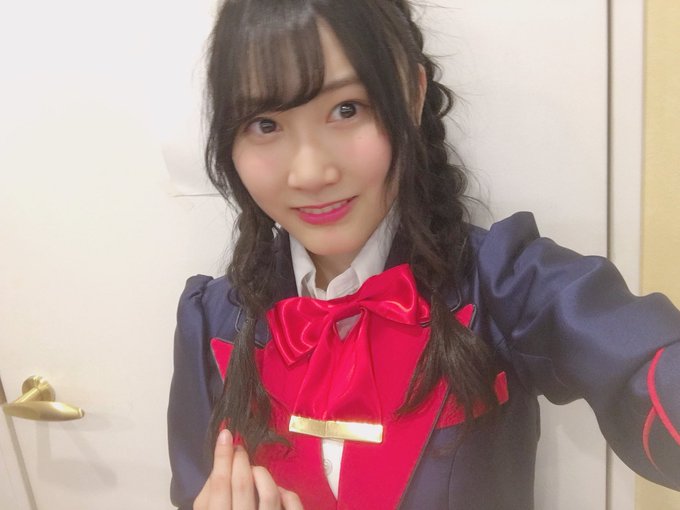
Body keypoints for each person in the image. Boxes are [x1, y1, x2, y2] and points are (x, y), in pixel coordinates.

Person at [167, 0, 680, 508]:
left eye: (347, 109)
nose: (310, 173)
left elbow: (643, 361)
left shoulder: (504, 282)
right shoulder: (211, 321)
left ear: (412, 95)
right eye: (264, 124)